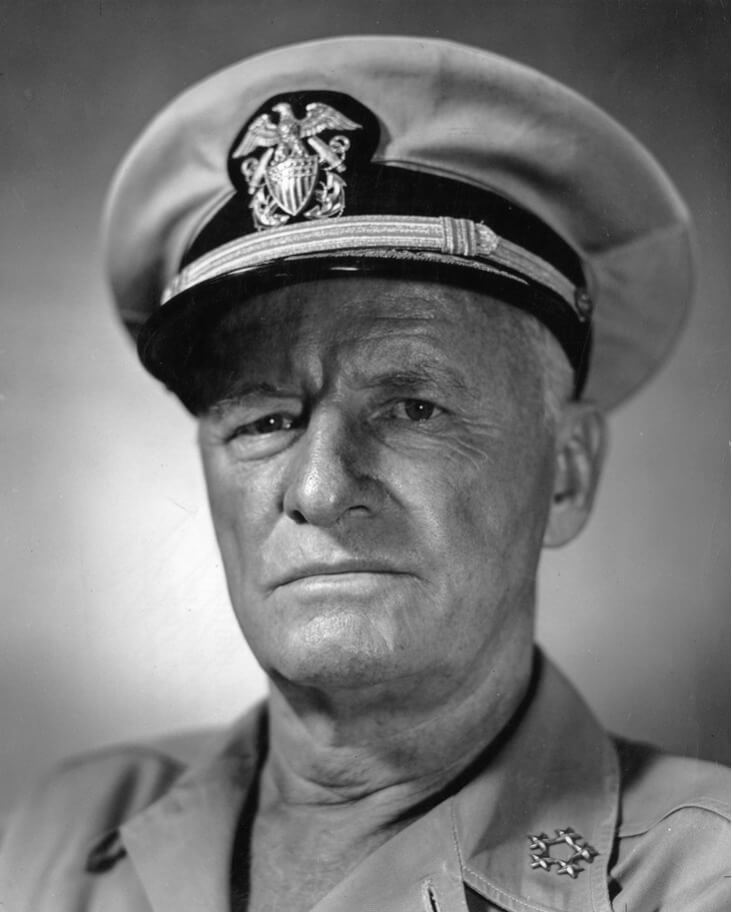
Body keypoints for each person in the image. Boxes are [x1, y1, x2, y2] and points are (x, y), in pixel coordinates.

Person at [0, 35, 727, 912]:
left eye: (412, 407)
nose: (317, 490)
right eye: (266, 420)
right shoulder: (51, 838)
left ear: (567, 473)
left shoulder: (700, 879)